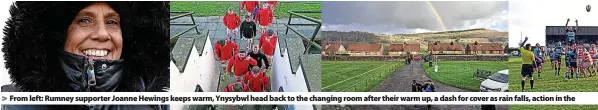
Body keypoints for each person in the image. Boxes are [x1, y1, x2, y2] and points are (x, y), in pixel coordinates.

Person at [2, 2, 170, 110]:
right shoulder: (10, 103)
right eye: (84, 20)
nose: (102, 34)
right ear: (58, 35)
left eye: (111, 22)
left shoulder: (156, 104)